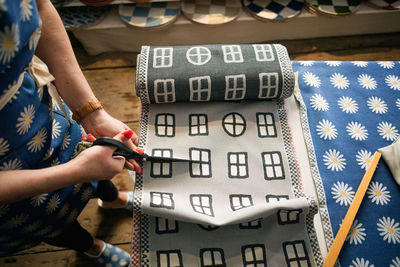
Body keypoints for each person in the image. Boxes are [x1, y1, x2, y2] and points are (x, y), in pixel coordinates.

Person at [0, 1, 142, 266]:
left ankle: (113, 200)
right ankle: (91, 247)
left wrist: (91, 114)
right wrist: (76, 171)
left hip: (41, 111)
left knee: (95, 167)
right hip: (9, 174)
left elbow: (39, 7)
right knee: (46, 220)